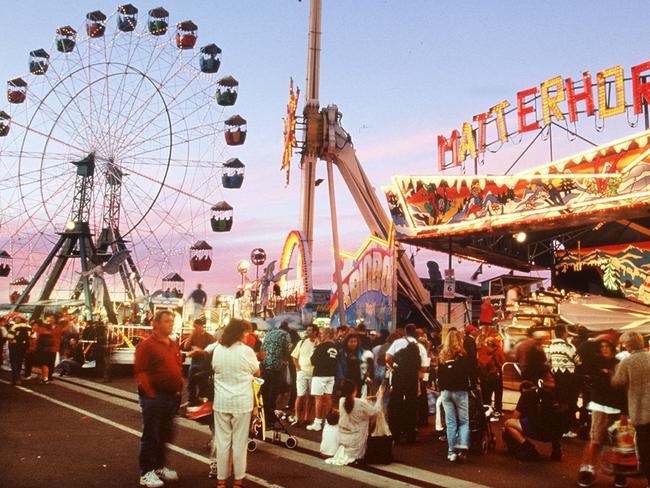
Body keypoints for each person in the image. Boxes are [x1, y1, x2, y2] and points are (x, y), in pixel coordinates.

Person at [134, 310, 183, 488]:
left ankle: (158, 467)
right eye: (167, 321)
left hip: (171, 396)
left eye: (172, 321)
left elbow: (177, 365)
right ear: (156, 324)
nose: (171, 324)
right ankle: (146, 472)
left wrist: (179, 388)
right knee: (151, 435)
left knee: (165, 434)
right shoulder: (147, 345)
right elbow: (141, 371)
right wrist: (150, 394)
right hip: (155, 397)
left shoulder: (173, 343)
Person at [211, 318, 260, 488]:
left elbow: (214, 368)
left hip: (221, 401)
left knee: (222, 442)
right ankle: (238, 481)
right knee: (239, 443)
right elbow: (257, 371)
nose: (248, 335)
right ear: (240, 333)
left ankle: (221, 481)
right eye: (246, 332)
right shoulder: (246, 351)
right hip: (241, 402)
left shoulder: (218, 349)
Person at [577, 335, 627, 488]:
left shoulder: (619, 363)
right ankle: (587, 471)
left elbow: (623, 388)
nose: (604, 349)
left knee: (617, 442)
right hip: (600, 406)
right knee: (596, 439)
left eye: (607, 346)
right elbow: (582, 349)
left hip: (616, 407)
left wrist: (625, 410)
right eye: (601, 346)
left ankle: (619, 475)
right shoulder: (595, 362)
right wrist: (597, 338)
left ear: (612, 347)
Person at [612, 331, 650, 485]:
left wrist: (611, 371)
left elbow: (617, 382)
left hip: (640, 410)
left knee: (646, 448)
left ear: (629, 345)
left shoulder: (627, 362)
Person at [503, 369, 564, 462]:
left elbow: (515, 417)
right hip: (556, 432)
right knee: (555, 421)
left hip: (537, 429)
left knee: (508, 424)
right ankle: (556, 448)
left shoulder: (528, 394)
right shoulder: (559, 395)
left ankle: (528, 448)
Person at [325, 379, 385, 465]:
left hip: (343, 438)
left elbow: (354, 403)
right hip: (357, 441)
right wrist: (380, 397)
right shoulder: (360, 403)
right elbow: (375, 412)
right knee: (365, 419)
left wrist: (365, 399)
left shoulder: (342, 400)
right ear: (354, 390)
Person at [385, 324, 427, 443]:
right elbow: (424, 367)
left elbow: (387, 357)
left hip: (398, 376)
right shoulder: (420, 346)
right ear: (416, 334)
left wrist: (394, 366)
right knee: (411, 405)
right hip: (412, 377)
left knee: (396, 404)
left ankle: (396, 434)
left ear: (405, 332)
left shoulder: (397, 343)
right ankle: (410, 434)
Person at [437, 329, 473, 462]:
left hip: (446, 392)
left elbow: (438, 375)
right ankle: (462, 445)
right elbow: (469, 372)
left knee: (450, 422)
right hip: (460, 390)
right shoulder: (463, 355)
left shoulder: (442, 355)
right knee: (464, 421)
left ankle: (451, 451)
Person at [549, 324, 578, 437]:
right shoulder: (568, 346)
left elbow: (549, 360)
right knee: (568, 403)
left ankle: (558, 428)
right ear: (564, 333)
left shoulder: (552, 345)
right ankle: (565, 430)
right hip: (568, 377)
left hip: (557, 376)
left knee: (560, 403)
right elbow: (578, 360)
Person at [260, 321, 291, 426]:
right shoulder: (285, 335)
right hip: (276, 366)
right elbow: (287, 350)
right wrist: (285, 360)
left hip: (265, 365)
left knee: (265, 391)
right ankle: (270, 418)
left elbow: (262, 348)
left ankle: (263, 416)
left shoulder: (269, 333)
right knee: (273, 393)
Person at [307, 327, 338, 432]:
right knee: (328, 397)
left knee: (318, 398)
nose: (320, 335)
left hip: (320, 375)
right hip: (331, 375)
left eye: (321, 334)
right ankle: (328, 421)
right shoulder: (335, 347)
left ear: (327, 335)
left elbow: (313, 361)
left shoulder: (321, 346)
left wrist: (315, 348)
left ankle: (318, 422)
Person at [290, 324, 317, 426]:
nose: (307, 332)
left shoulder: (318, 343)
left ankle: (306, 418)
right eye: (307, 330)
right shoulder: (301, 343)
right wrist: (298, 368)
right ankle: (297, 418)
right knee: (300, 395)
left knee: (310, 397)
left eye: (309, 330)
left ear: (315, 332)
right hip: (302, 373)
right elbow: (294, 357)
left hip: (313, 374)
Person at [183, 319, 215, 405]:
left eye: (196, 327)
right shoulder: (193, 335)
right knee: (191, 382)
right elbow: (186, 346)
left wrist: (198, 351)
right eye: (194, 327)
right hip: (195, 361)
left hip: (205, 362)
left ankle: (202, 400)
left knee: (203, 383)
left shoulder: (209, 337)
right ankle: (191, 399)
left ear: (201, 326)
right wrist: (191, 335)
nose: (195, 329)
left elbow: (211, 351)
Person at [476, 333, 505, 419]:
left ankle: (486, 411)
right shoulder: (497, 350)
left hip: (484, 376)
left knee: (486, 395)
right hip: (495, 374)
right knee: (498, 393)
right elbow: (502, 361)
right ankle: (497, 411)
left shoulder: (479, 350)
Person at [7, 317, 33, 385]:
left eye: (16, 318)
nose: (15, 319)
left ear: (20, 319)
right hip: (24, 346)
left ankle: (16, 378)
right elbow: (33, 337)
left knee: (13, 362)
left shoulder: (14, 326)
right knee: (20, 361)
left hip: (15, 345)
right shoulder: (29, 327)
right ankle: (17, 377)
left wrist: (10, 345)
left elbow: (10, 338)